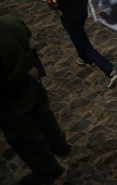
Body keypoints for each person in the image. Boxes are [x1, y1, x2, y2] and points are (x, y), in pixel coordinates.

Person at [0, 14, 70, 185]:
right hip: (31, 78)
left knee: (23, 134)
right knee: (44, 115)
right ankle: (59, 145)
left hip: (10, 94)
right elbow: (27, 35)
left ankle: (48, 170)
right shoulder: (10, 22)